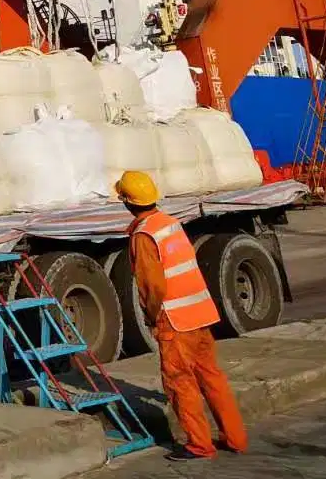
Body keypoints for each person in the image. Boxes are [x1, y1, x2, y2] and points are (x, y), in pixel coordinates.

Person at [115, 170, 248, 461]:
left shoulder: (144, 235)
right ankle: (236, 438)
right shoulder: (170, 224)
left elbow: (152, 286)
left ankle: (199, 445)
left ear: (126, 201)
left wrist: (152, 318)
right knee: (212, 378)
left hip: (175, 320)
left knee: (180, 383)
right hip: (200, 313)